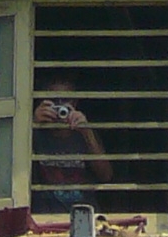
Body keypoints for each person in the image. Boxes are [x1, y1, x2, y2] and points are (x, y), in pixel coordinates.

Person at [31, 72, 112, 211]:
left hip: (84, 216)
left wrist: (87, 132)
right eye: (55, 101)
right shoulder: (35, 135)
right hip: (45, 217)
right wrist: (32, 124)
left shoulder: (84, 135)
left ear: (75, 102)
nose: (60, 107)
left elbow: (106, 175)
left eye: (65, 100)